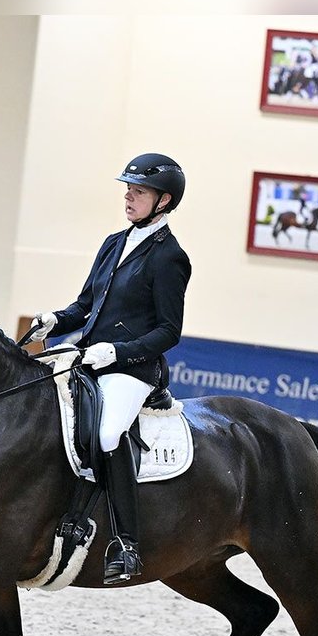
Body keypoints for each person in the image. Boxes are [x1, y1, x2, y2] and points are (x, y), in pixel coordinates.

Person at [24, 152, 191, 585]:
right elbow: (86, 307)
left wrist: (117, 353)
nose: (128, 198)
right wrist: (56, 320)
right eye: (128, 190)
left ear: (164, 200)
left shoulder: (170, 257)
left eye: (138, 192)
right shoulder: (113, 242)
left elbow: (169, 331)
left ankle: (126, 544)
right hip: (90, 355)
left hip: (133, 368)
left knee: (108, 433)